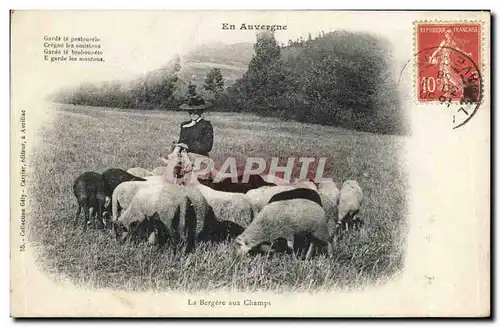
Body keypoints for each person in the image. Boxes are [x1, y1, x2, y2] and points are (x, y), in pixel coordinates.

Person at [164, 95, 214, 182]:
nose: (193, 114)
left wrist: (188, 146)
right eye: (190, 111)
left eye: (196, 111)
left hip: (199, 156)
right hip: (184, 155)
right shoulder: (184, 125)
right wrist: (177, 147)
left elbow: (208, 146)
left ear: (201, 111)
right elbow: (181, 141)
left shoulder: (206, 125)